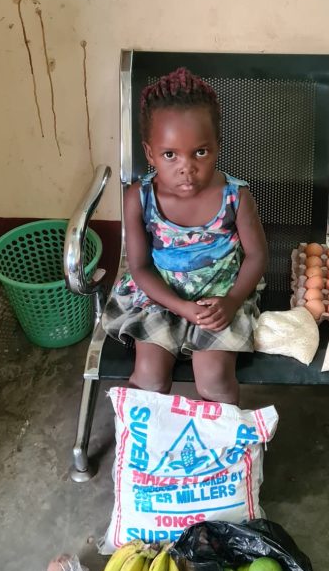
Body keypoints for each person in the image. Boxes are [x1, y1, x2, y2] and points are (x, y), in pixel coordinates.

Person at [102, 67, 268, 405]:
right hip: (161, 298)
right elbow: (139, 267)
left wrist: (232, 301)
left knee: (215, 379)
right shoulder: (139, 198)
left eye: (200, 152)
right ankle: (144, 436)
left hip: (220, 299)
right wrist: (179, 306)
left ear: (217, 147)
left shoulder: (235, 197)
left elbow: (257, 256)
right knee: (148, 376)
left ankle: (219, 437)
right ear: (150, 153)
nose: (186, 167)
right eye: (170, 155)